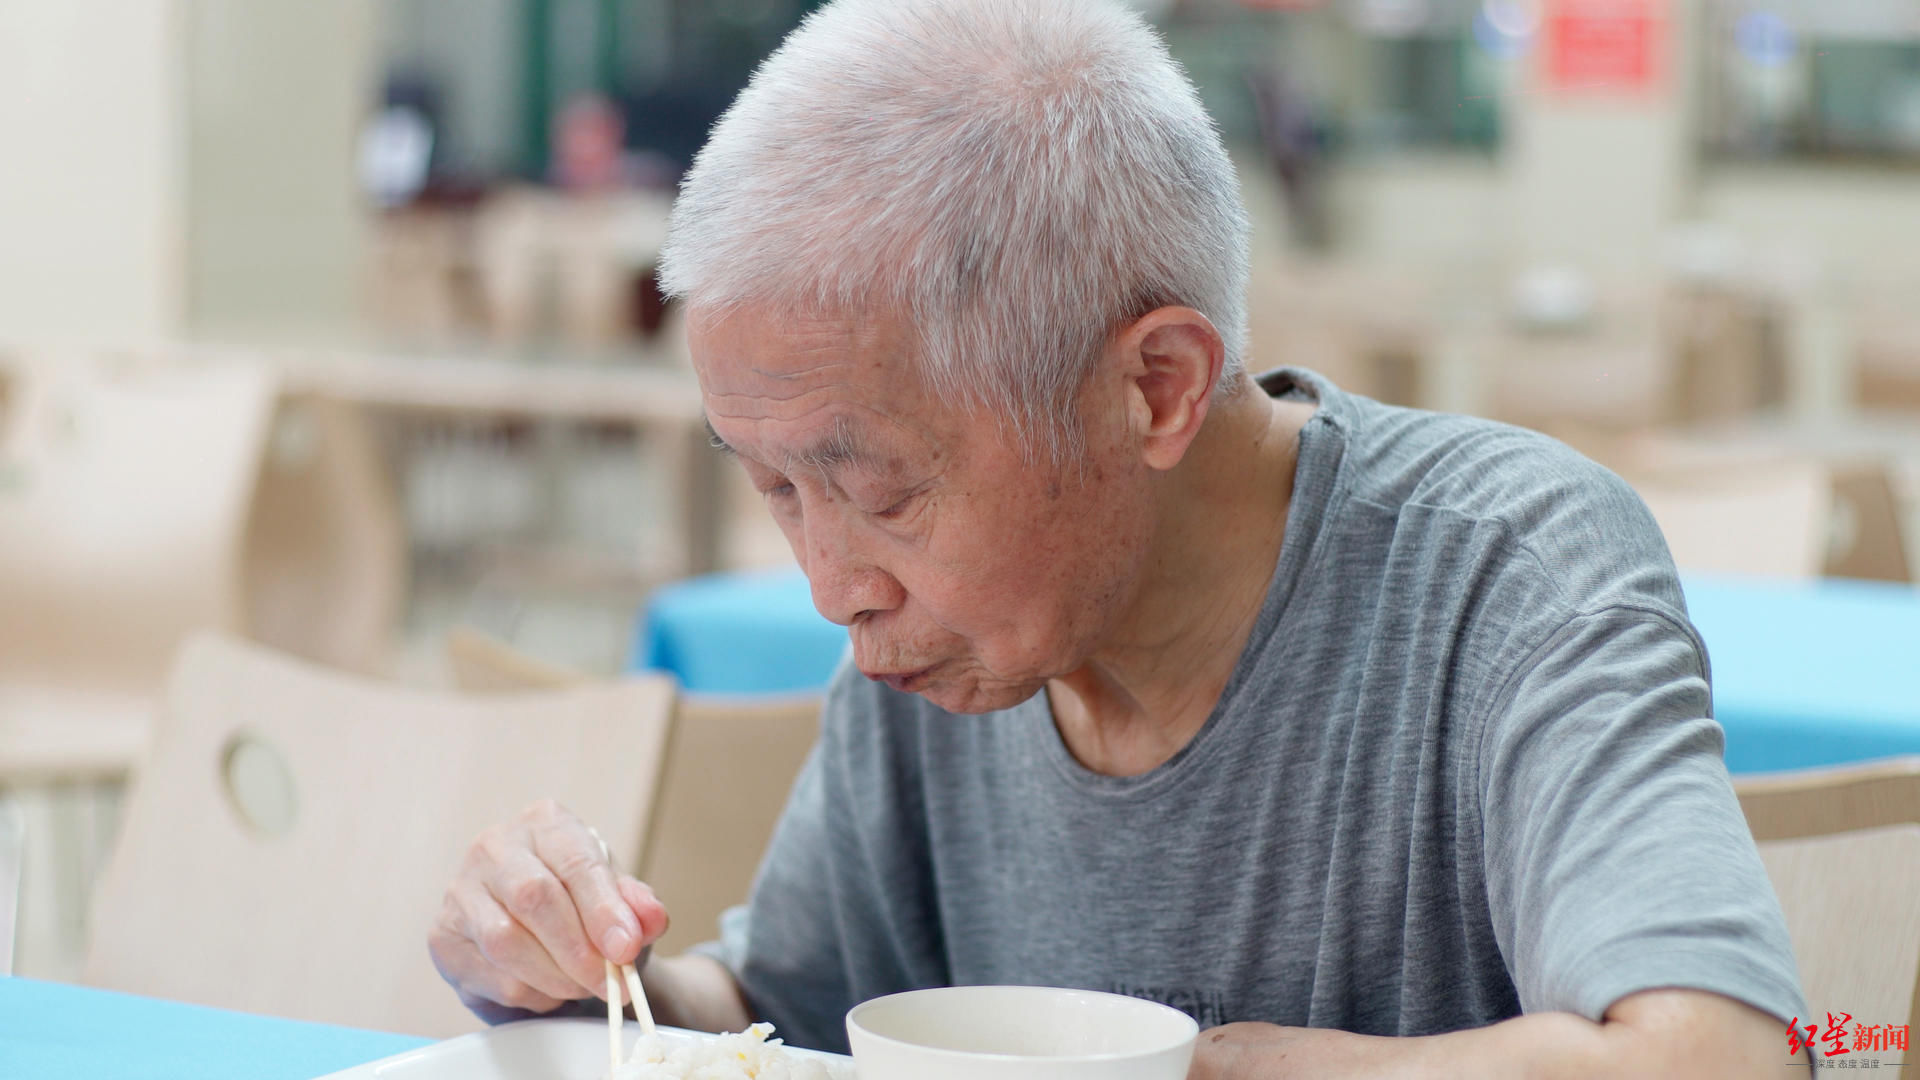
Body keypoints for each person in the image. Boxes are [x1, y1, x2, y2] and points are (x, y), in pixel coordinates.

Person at [429, 1, 1809, 1075]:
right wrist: (571, 981)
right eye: (777, 487)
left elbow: (1722, 1059)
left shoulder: (1506, 575)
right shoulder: (945, 650)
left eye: (880, 488)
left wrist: (1181, 1071)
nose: (832, 585)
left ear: (1153, 388)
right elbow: (777, 1018)